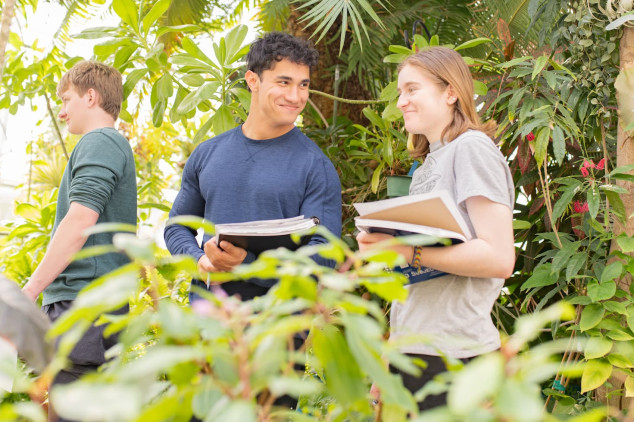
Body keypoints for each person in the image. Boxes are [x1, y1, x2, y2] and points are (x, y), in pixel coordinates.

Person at [357, 47, 515, 411]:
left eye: (412, 89)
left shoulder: (471, 148)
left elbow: (499, 257)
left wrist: (407, 251)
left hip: (456, 357)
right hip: (415, 352)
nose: (401, 102)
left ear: (451, 92)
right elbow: (422, 281)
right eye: (400, 92)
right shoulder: (430, 163)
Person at [164, 32, 342, 303]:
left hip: (278, 326)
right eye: (284, 82)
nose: (295, 96)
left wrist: (245, 263)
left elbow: (324, 257)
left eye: (303, 85)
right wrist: (199, 260)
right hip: (208, 322)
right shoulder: (207, 154)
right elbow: (177, 227)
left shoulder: (316, 166)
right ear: (252, 81)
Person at [21, 60, 137, 421]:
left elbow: (80, 221)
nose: (62, 108)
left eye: (66, 98)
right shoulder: (110, 144)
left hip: (84, 307)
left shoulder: (100, 140)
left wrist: (30, 290)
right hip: (93, 308)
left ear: (91, 96)